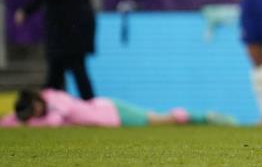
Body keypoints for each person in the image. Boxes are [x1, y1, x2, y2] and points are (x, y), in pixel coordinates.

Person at [0, 89, 236, 128]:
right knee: (158, 120)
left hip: (110, 112)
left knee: (158, 120)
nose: (34, 117)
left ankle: (208, 117)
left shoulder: (54, 99)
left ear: (36, 101)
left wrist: (31, 122)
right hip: (103, 108)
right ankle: (201, 119)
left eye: (33, 112)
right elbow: (9, 120)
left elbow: (55, 121)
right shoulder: (42, 105)